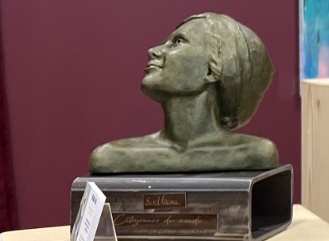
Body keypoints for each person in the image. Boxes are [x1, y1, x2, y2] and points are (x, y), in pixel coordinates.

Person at [90, 14, 279, 173]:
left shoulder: (255, 153)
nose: (153, 51)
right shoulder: (112, 155)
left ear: (211, 70)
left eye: (178, 42)